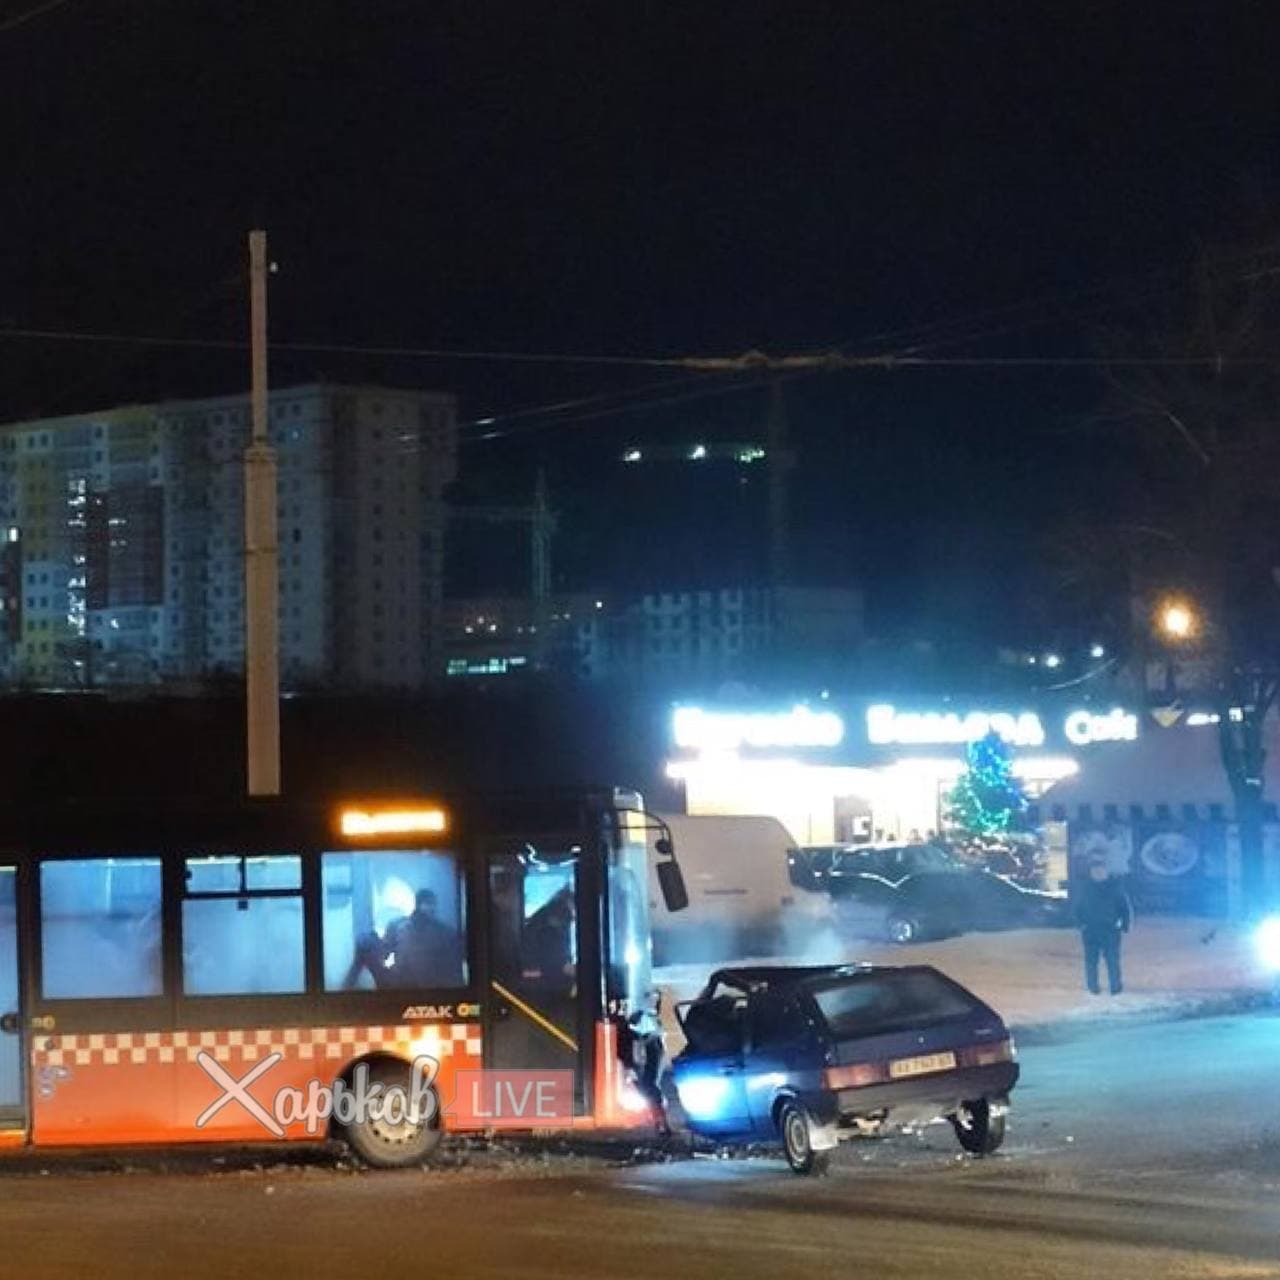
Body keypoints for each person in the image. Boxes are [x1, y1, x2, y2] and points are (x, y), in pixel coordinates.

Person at [349, 888, 465, 989]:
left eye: (432, 904)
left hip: (426, 985)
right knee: (365, 943)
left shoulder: (444, 932)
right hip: (398, 982)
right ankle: (343, 996)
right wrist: (374, 944)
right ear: (418, 904)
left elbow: (451, 968)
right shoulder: (398, 925)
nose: (431, 908)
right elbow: (383, 954)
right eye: (428, 904)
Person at [1076, 854, 1132, 995]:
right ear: (1091, 873)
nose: (1098, 873)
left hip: (1110, 930)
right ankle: (1093, 987)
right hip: (1090, 930)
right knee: (1091, 961)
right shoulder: (1085, 889)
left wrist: (1124, 924)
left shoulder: (1115, 888)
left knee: (1112, 960)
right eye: (1095, 871)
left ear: (1106, 872)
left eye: (1101, 871)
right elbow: (1077, 908)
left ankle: (1115, 987)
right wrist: (1080, 924)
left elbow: (1124, 908)